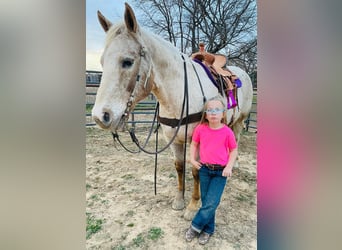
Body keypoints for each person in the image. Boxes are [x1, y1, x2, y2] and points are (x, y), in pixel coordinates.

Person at [185, 95, 238, 245]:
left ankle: (195, 227)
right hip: (204, 170)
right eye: (210, 110)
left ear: (223, 113)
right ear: (206, 114)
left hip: (220, 172)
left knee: (212, 203)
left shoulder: (227, 132)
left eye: (217, 109)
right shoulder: (200, 129)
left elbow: (233, 150)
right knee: (207, 201)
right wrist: (192, 159)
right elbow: (194, 145)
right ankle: (208, 230)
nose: (213, 112)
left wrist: (229, 166)